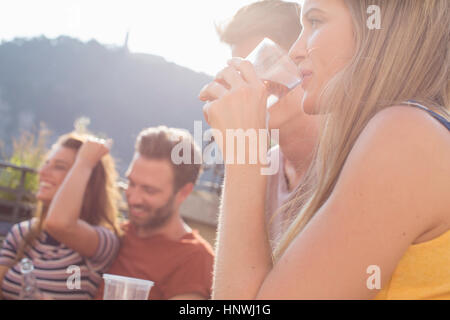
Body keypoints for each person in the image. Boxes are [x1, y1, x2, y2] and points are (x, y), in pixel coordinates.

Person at [200, 0, 450, 300]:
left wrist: (243, 154)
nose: (295, 51)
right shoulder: (405, 134)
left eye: (315, 22)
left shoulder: (406, 137)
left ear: (377, 30)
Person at [215, 0, 320, 249]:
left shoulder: (350, 164)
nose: (247, 85)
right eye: (241, 72)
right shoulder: (264, 171)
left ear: (302, 60)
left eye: (261, 65)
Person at [96, 126, 214, 300]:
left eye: (149, 190)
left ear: (183, 192)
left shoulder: (195, 259)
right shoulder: (117, 234)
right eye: (131, 183)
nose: (134, 199)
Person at [0, 132, 121, 299]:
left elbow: (60, 223)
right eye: (46, 163)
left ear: (84, 180)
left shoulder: (103, 241)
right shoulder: (22, 232)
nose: (43, 171)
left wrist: (85, 161)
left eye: (59, 166)